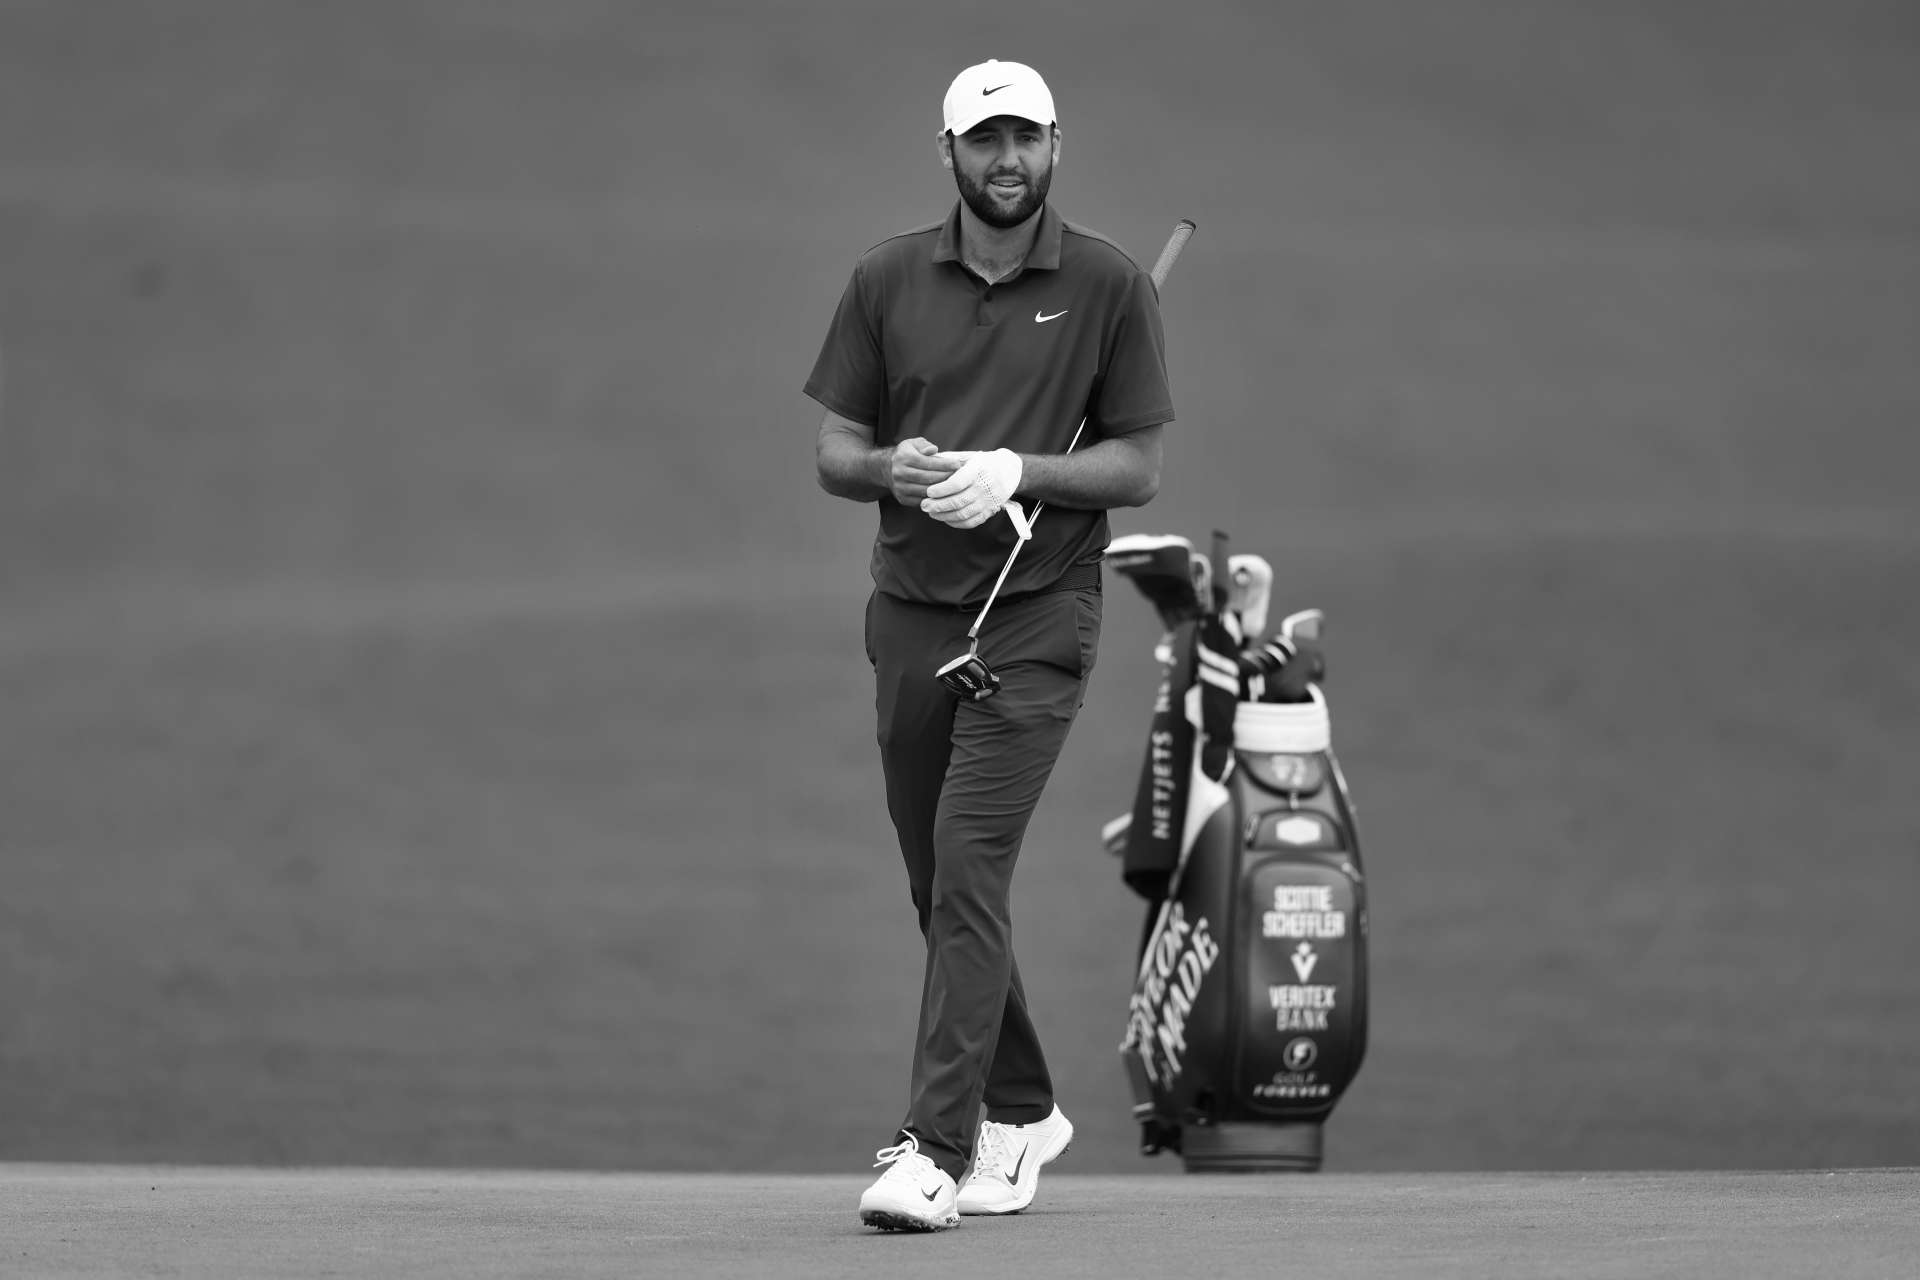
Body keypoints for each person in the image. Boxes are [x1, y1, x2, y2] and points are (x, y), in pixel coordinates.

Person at [805, 57, 1175, 1232]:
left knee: (969, 860)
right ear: (948, 153)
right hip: (913, 613)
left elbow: (1136, 466)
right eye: (983, 141)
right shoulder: (885, 277)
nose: (1005, 160)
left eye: (1025, 139)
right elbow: (834, 448)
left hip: (1036, 616)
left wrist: (1022, 471)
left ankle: (935, 1146)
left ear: (1056, 146)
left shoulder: (1113, 284)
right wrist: (894, 469)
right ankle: (1023, 1106)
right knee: (936, 881)